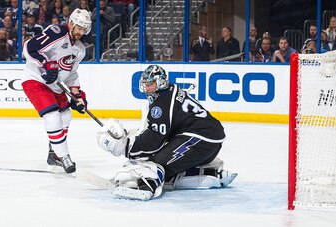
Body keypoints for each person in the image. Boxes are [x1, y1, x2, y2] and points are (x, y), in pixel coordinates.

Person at [96, 65, 237, 200]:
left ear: (161, 83)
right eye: (145, 83)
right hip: (209, 142)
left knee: (154, 164)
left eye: (150, 83)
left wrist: (126, 147)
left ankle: (147, 185)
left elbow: (155, 141)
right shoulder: (170, 91)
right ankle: (207, 173)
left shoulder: (161, 103)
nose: (147, 87)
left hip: (200, 139)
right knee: (166, 163)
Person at [21, 8, 92, 174]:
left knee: (66, 115)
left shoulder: (80, 49)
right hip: (36, 80)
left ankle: (54, 154)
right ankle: (64, 156)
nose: (81, 32)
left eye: (84, 29)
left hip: (55, 85)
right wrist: (45, 64)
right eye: (79, 28)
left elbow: (71, 74)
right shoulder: (58, 32)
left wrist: (77, 96)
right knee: (52, 116)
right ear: (72, 24)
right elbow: (30, 47)